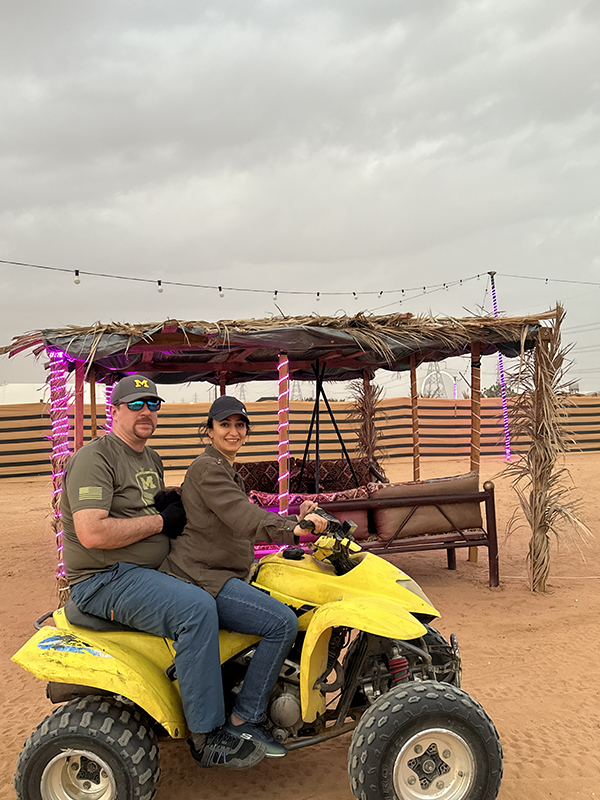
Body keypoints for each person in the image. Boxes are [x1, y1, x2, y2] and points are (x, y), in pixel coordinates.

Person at [62, 375, 266, 769]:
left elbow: (149, 507)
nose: (146, 412)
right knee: (196, 608)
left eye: (152, 405)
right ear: (115, 410)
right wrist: (160, 522)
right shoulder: (95, 458)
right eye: (136, 404)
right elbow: (91, 532)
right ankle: (206, 735)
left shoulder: (149, 458)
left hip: (148, 571)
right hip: (105, 578)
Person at [161, 395, 328, 759]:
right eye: (225, 425)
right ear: (209, 431)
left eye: (240, 425)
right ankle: (244, 718)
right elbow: (243, 518)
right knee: (282, 622)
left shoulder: (224, 468)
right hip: (203, 579)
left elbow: (245, 511)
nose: (233, 431)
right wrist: (294, 529)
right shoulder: (208, 469)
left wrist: (295, 515)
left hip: (222, 572)